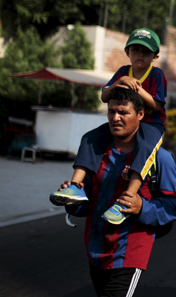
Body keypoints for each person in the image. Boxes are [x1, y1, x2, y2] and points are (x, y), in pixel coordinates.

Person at [58, 87, 176, 297]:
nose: (115, 118)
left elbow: (174, 205)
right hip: (96, 249)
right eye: (111, 111)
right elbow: (86, 204)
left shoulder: (160, 158)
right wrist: (72, 201)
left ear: (140, 114)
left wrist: (141, 207)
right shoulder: (96, 152)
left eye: (123, 112)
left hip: (129, 252)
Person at [50, 28, 168, 224]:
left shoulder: (156, 75)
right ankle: (75, 185)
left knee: (145, 150)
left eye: (146, 52)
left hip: (150, 124)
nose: (140, 55)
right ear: (127, 52)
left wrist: (137, 87)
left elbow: (156, 106)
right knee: (90, 137)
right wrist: (121, 81)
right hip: (126, 122)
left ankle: (126, 198)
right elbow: (104, 96)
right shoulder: (123, 72)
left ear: (155, 56)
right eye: (135, 50)